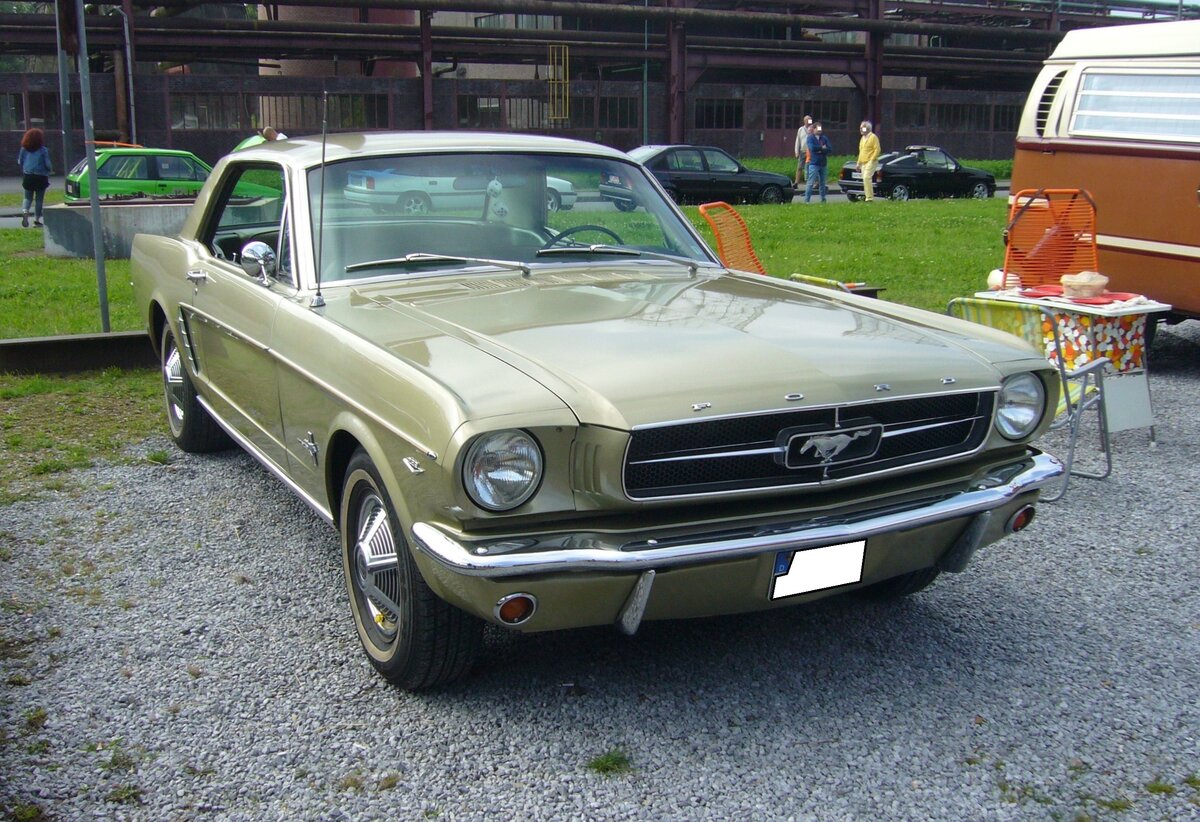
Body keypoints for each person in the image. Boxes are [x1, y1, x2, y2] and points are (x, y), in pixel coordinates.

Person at [17, 127, 53, 228]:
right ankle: (36, 220)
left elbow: (20, 161)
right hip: (41, 176)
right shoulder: (43, 150)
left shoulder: (24, 149)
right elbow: (48, 164)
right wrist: (50, 170)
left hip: (28, 176)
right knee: (39, 199)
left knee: (27, 197)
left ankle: (25, 211)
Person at [804, 122, 832, 204]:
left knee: (822, 183)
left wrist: (821, 150)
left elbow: (830, 149)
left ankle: (823, 199)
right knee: (810, 182)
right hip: (814, 163)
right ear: (814, 129)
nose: (820, 130)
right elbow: (812, 148)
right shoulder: (810, 138)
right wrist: (821, 148)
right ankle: (807, 200)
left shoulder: (824, 138)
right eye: (818, 128)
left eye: (821, 128)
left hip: (823, 163)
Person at [856, 120, 882, 202]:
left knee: (867, 177)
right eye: (860, 128)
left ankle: (869, 198)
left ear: (867, 128)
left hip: (871, 161)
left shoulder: (873, 137)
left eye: (862, 128)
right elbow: (861, 151)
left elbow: (877, 149)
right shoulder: (862, 138)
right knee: (864, 179)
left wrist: (872, 159)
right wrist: (858, 163)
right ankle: (867, 196)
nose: (860, 130)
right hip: (863, 162)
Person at [793, 114, 813, 187]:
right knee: (799, 167)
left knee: (811, 168)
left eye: (810, 120)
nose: (809, 121)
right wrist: (796, 151)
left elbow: (819, 135)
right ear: (804, 121)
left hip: (811, 151)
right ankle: (796, 182)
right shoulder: (800, 129)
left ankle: (814, 183)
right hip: (803, 151)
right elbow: (797, 141)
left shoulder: (814, 128)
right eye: (807, 120)